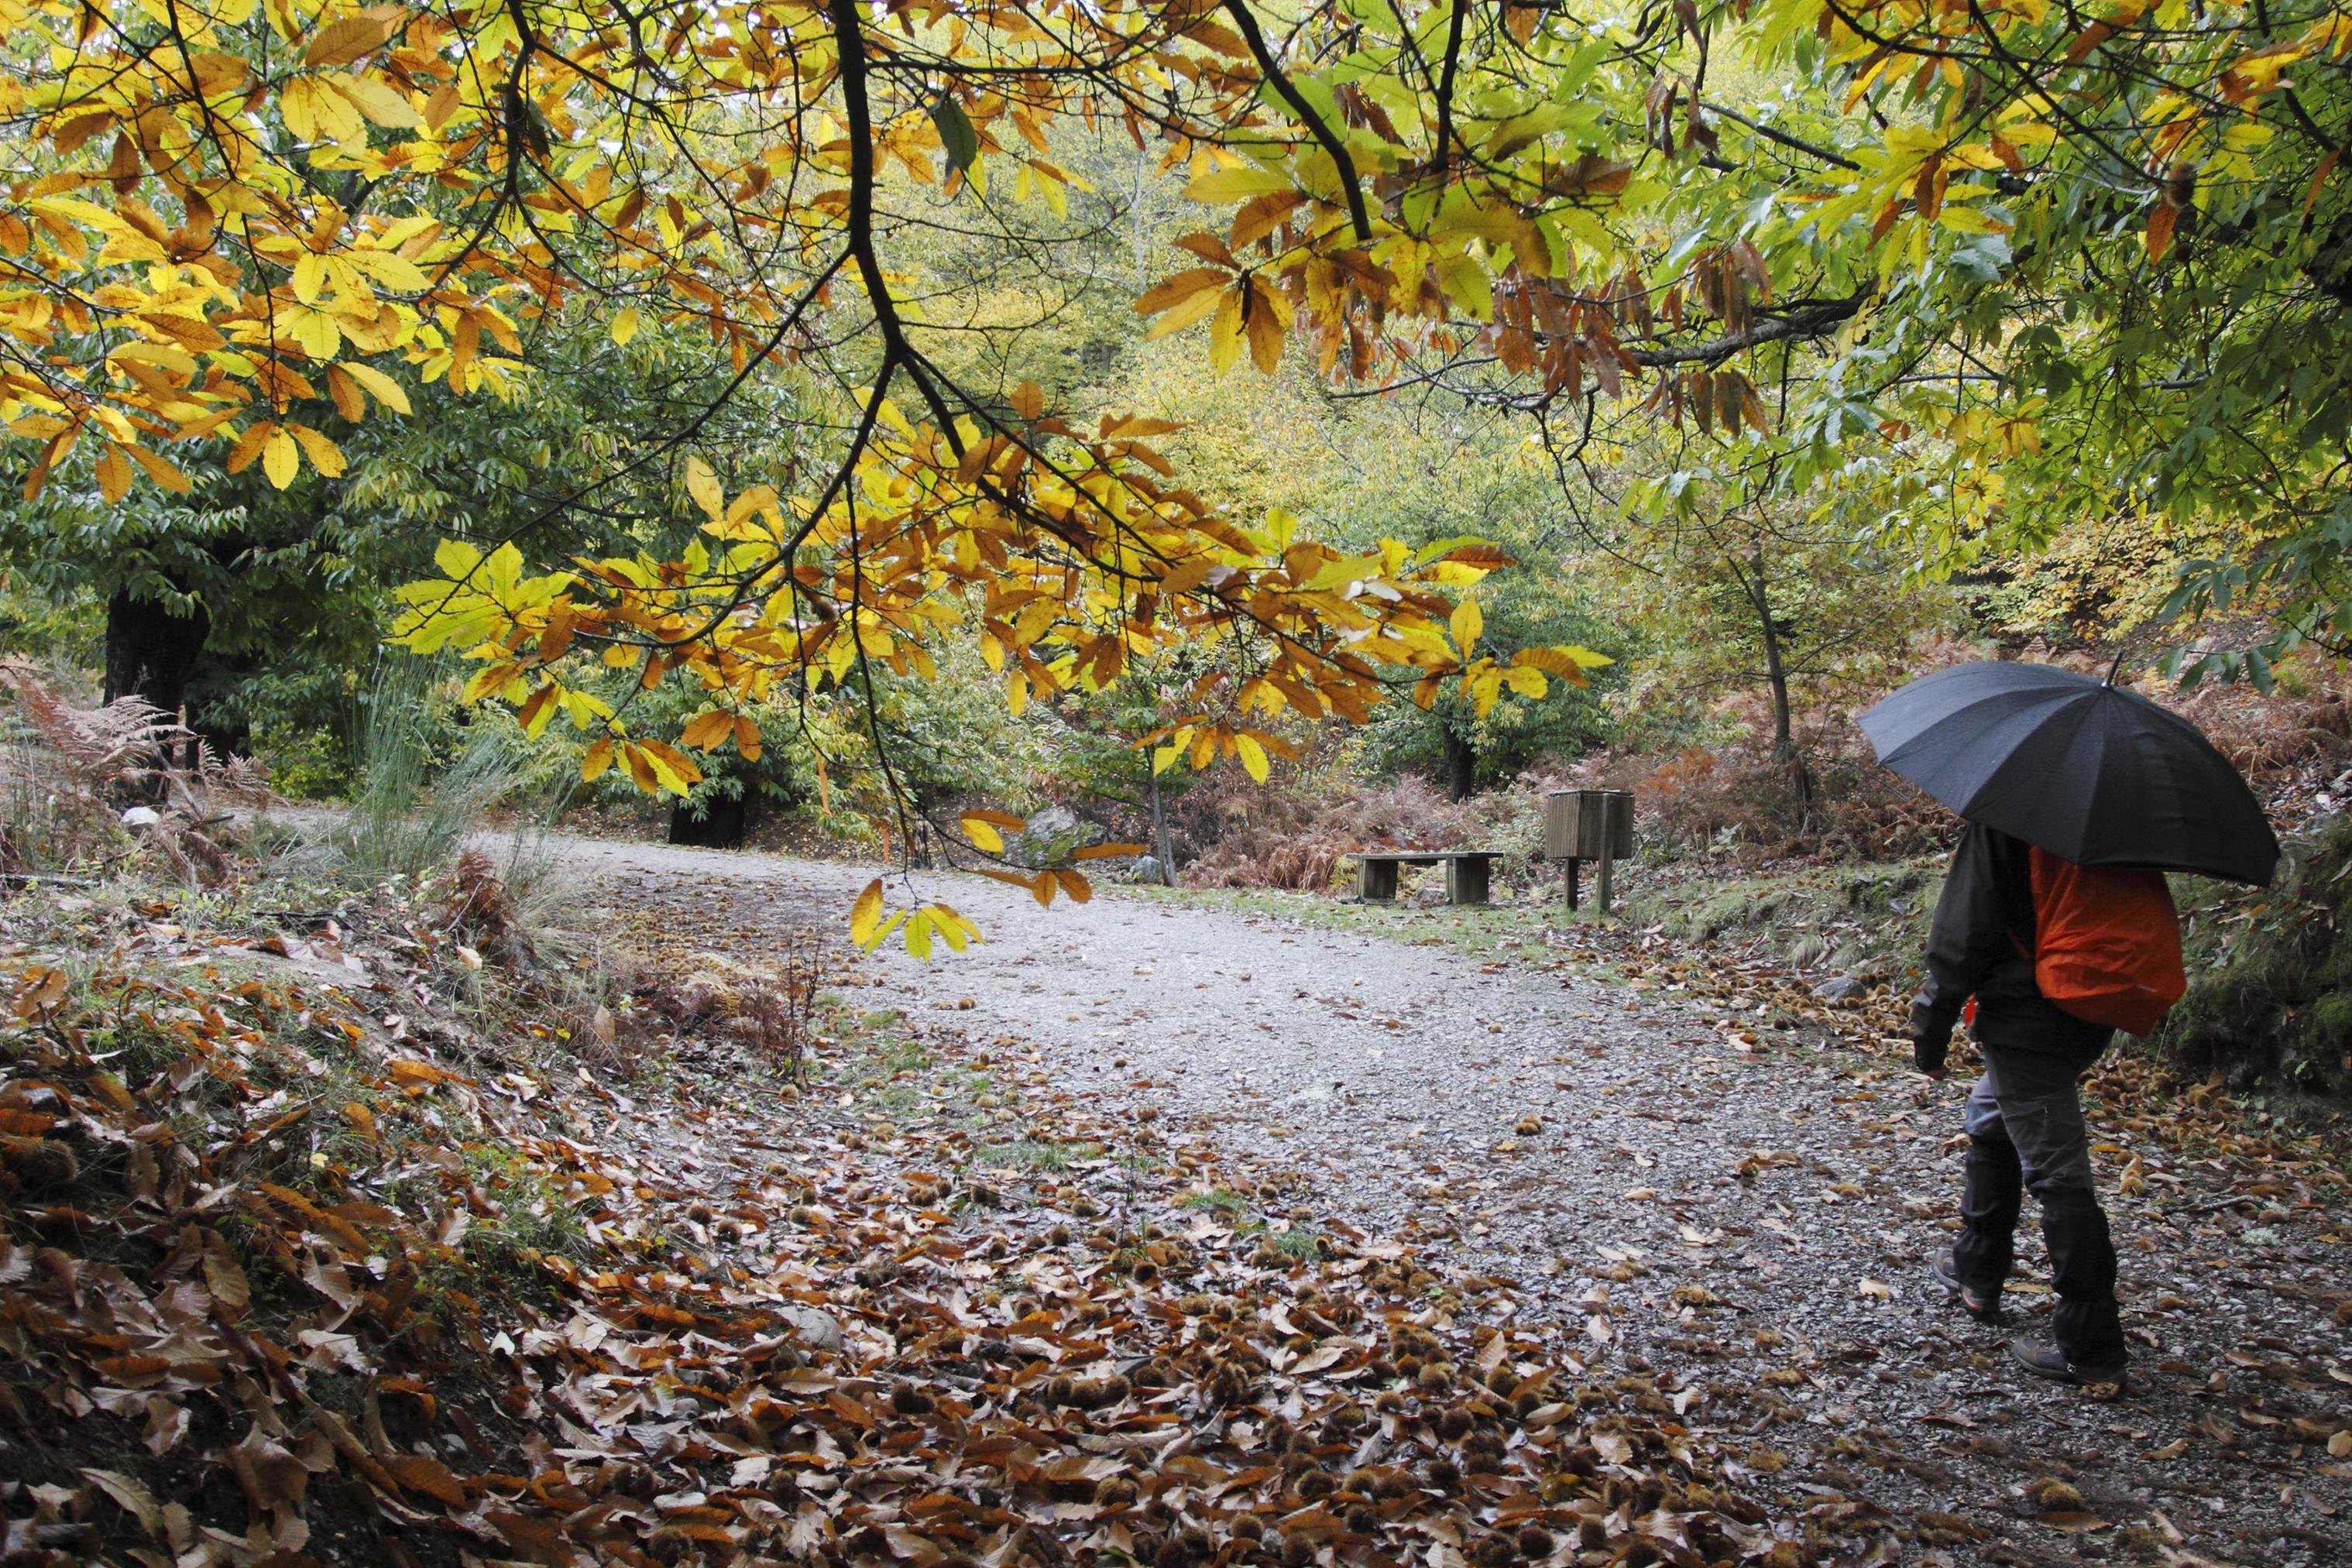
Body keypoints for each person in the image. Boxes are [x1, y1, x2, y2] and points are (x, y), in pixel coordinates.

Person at [1909, 821, 2130, 1385]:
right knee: (1992, 1115)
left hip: (2029, 1012)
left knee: (2056, 1168)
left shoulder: (2008, 814)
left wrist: (1928, 1029)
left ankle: (2090, 1344)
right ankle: (1975, 1270)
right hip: (2091, 1006)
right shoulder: (2115, 814)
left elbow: (1961, 931)